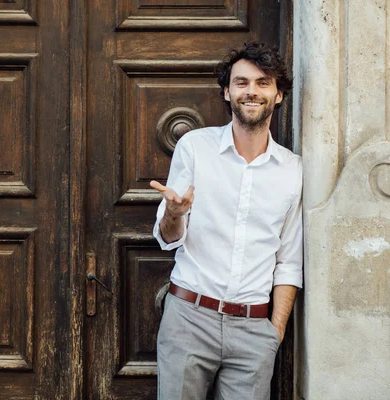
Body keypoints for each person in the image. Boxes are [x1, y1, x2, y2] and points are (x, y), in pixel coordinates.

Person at [151, 42, 302, 400]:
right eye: (241, 82)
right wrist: (174, 213)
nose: (251, 91)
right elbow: (168, 237)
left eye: (263, 83)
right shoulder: (195, 147)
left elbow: (289, 261)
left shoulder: (292, 170)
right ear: (227, 91)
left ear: (278, 95)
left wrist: (273, 334)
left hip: (254, 331)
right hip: (189, 318)